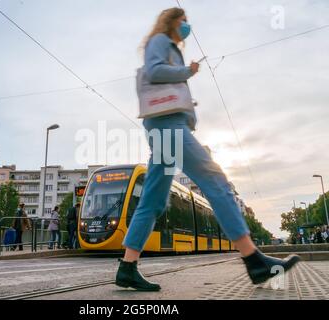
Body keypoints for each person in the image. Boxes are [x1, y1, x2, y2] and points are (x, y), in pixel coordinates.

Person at [115, 7, 300, 291]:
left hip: (165, 127)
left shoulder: (167, 44)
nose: (187, 25)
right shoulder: (161, 40)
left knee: (152, 201)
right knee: (216, 181)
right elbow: (154, 71)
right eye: (183, 20)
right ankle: (254, 260)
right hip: (169, 128)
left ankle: (127, 267)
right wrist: (186, 71)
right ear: (172, 21)